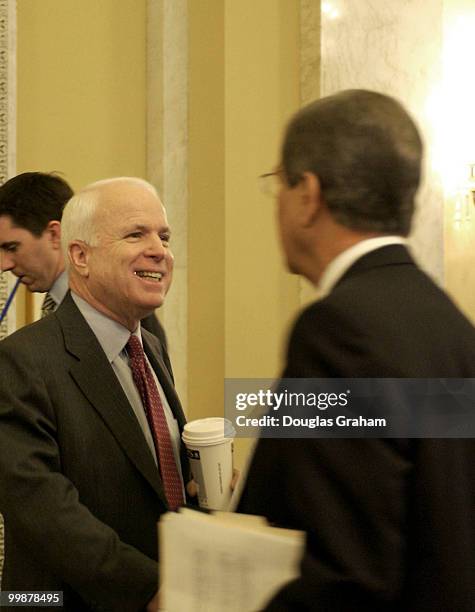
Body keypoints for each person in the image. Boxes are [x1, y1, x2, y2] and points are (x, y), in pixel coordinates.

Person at [238, 90, 475, 610]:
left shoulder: (337, 332)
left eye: (279, 183)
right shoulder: (452, 326)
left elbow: (346, 577)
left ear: (309, 195)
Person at [0, 177, 191, 610]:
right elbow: (44, 511)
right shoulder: (19, 362)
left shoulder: (151, 348)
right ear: (80, 256)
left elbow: (144, 476)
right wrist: (149, 590)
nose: (159, 250)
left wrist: (194, 478)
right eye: (135, 234)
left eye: (164, 236)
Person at [0, 171, 169, 350]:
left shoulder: (127, 308)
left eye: (12, 248)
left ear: (55, 234)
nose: (5, 265)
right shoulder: (56, 308)